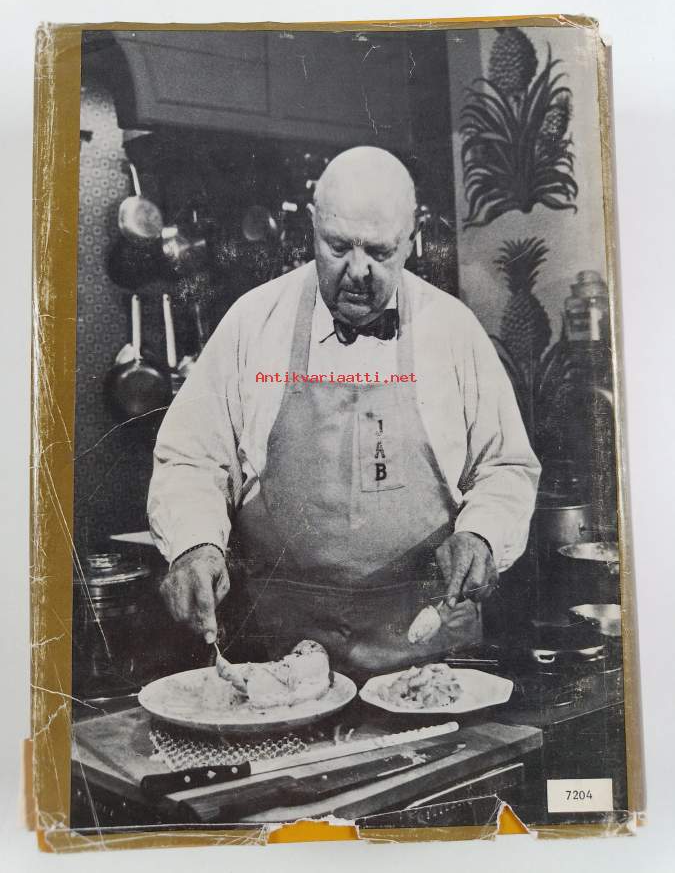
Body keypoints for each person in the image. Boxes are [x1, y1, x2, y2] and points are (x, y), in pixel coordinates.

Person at [148, 146, 540, 678]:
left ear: (412, 238)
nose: (357, 271)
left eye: (379, 251)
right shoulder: (252, 322)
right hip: (278, 657)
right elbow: (192, 458)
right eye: (337, 247)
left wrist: (483, 533)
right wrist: (195, 544)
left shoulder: (453, 330)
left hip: (431, 657)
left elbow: (504, 465)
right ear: (311, 228)